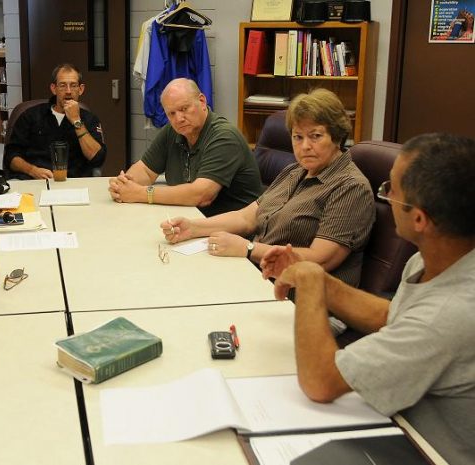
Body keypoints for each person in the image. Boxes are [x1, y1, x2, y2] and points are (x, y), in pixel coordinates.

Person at [264, 133, 475, 465]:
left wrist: (307, 282)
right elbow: (396, 315)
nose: (386, 196)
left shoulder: (449, 314)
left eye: (390, 190)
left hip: (427, 450)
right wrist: (320, 278)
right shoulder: (440, 256)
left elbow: (320, 383)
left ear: (419, 219)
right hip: (400, 424)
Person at [161, 88, 374, 288]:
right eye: (298, 137)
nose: (305, 146)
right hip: (260, 279)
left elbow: (320, 260)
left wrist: (249, 249)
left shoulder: (350, 187)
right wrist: (193, 227)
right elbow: (247, 218)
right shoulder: (295, 171)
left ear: (336, 136)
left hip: (306, 301)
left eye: (315, 136)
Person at [108, 78, 262, 217]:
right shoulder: (172, 131)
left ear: (202, 102)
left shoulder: (224, 137)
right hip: (190, 220)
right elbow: (146, 171)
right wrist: (125, 185)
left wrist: (141, 193)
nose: (179, 119)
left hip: (231, 232)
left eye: (184, 109)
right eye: (171, 113)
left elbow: (202, 195)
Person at [3, 63, 106, 180]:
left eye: (73, 86)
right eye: (62, 85)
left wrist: (77, 121)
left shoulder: (89, 119)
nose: (68, 91)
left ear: (81, 89)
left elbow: (97, 158)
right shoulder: (30, 115)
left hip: (73, 182)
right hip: (34, 180)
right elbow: (10, 157)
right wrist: (32, 170)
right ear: (54, 88)